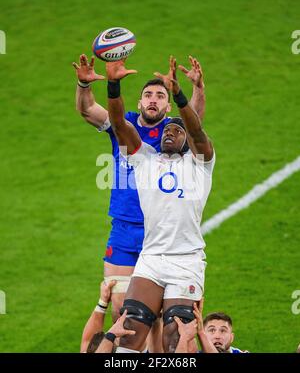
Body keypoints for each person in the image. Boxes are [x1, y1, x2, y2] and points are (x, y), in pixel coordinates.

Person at [72, 54, 206, 326]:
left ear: (168, 106)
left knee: (153, 314)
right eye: (148, 95)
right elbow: (87, 110)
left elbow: (195, 123)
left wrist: (197, 89)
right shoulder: (124, 125)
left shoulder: (173, 134)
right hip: (123, 228)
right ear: (139, 102)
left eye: (159, 95)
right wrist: (84, 85)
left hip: (158, 230)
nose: (153, 99)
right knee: (121, 308)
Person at [105, 55, 215, 353]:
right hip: (151, 257)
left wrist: (180, 94)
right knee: (131, 325)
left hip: (186, 259)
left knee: (175, 333)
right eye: (168, 129)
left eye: (178, 131)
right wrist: (113, 86)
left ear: (187, 141)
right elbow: (118, 124)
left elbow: (197, 131)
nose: (170, 132)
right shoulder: (144, 160)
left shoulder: (200, 164)